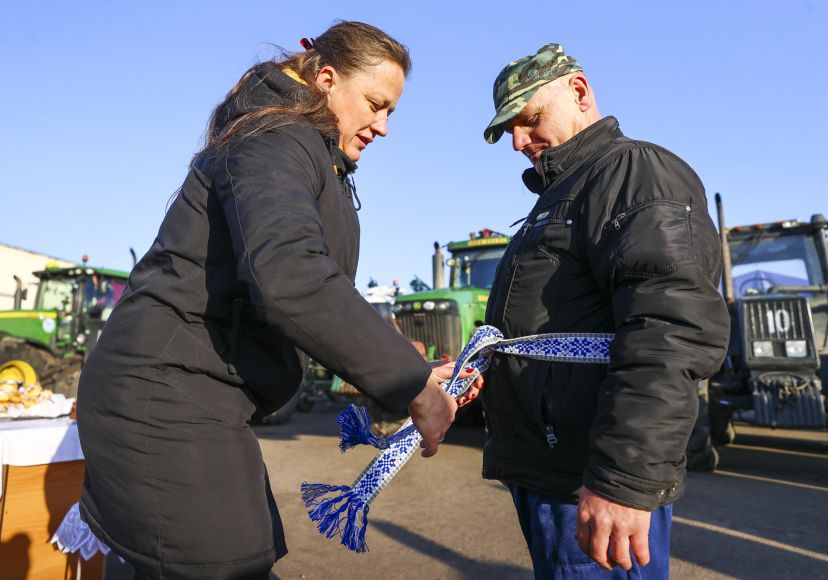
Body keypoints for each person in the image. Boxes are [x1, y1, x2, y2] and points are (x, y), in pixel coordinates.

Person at [77, 21, 470, 579]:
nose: (383, 127)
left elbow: (310, 294)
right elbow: (289, 276)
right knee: (228, 565)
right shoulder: (274, 138)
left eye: (393, 112)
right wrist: (412, 388)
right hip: (163, 395)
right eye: (376, 104)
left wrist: (404, 360)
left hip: (200, 397)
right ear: (327, 79)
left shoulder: (306, 147)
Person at [480, 44, 730, 579]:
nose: (520, 141)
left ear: (579, 91)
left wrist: (623, 480)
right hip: (552, 472)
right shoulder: (563, 194)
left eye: (530, 119)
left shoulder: (634, 173)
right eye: (510, 130)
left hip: (591, 479)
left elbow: (669, 329)